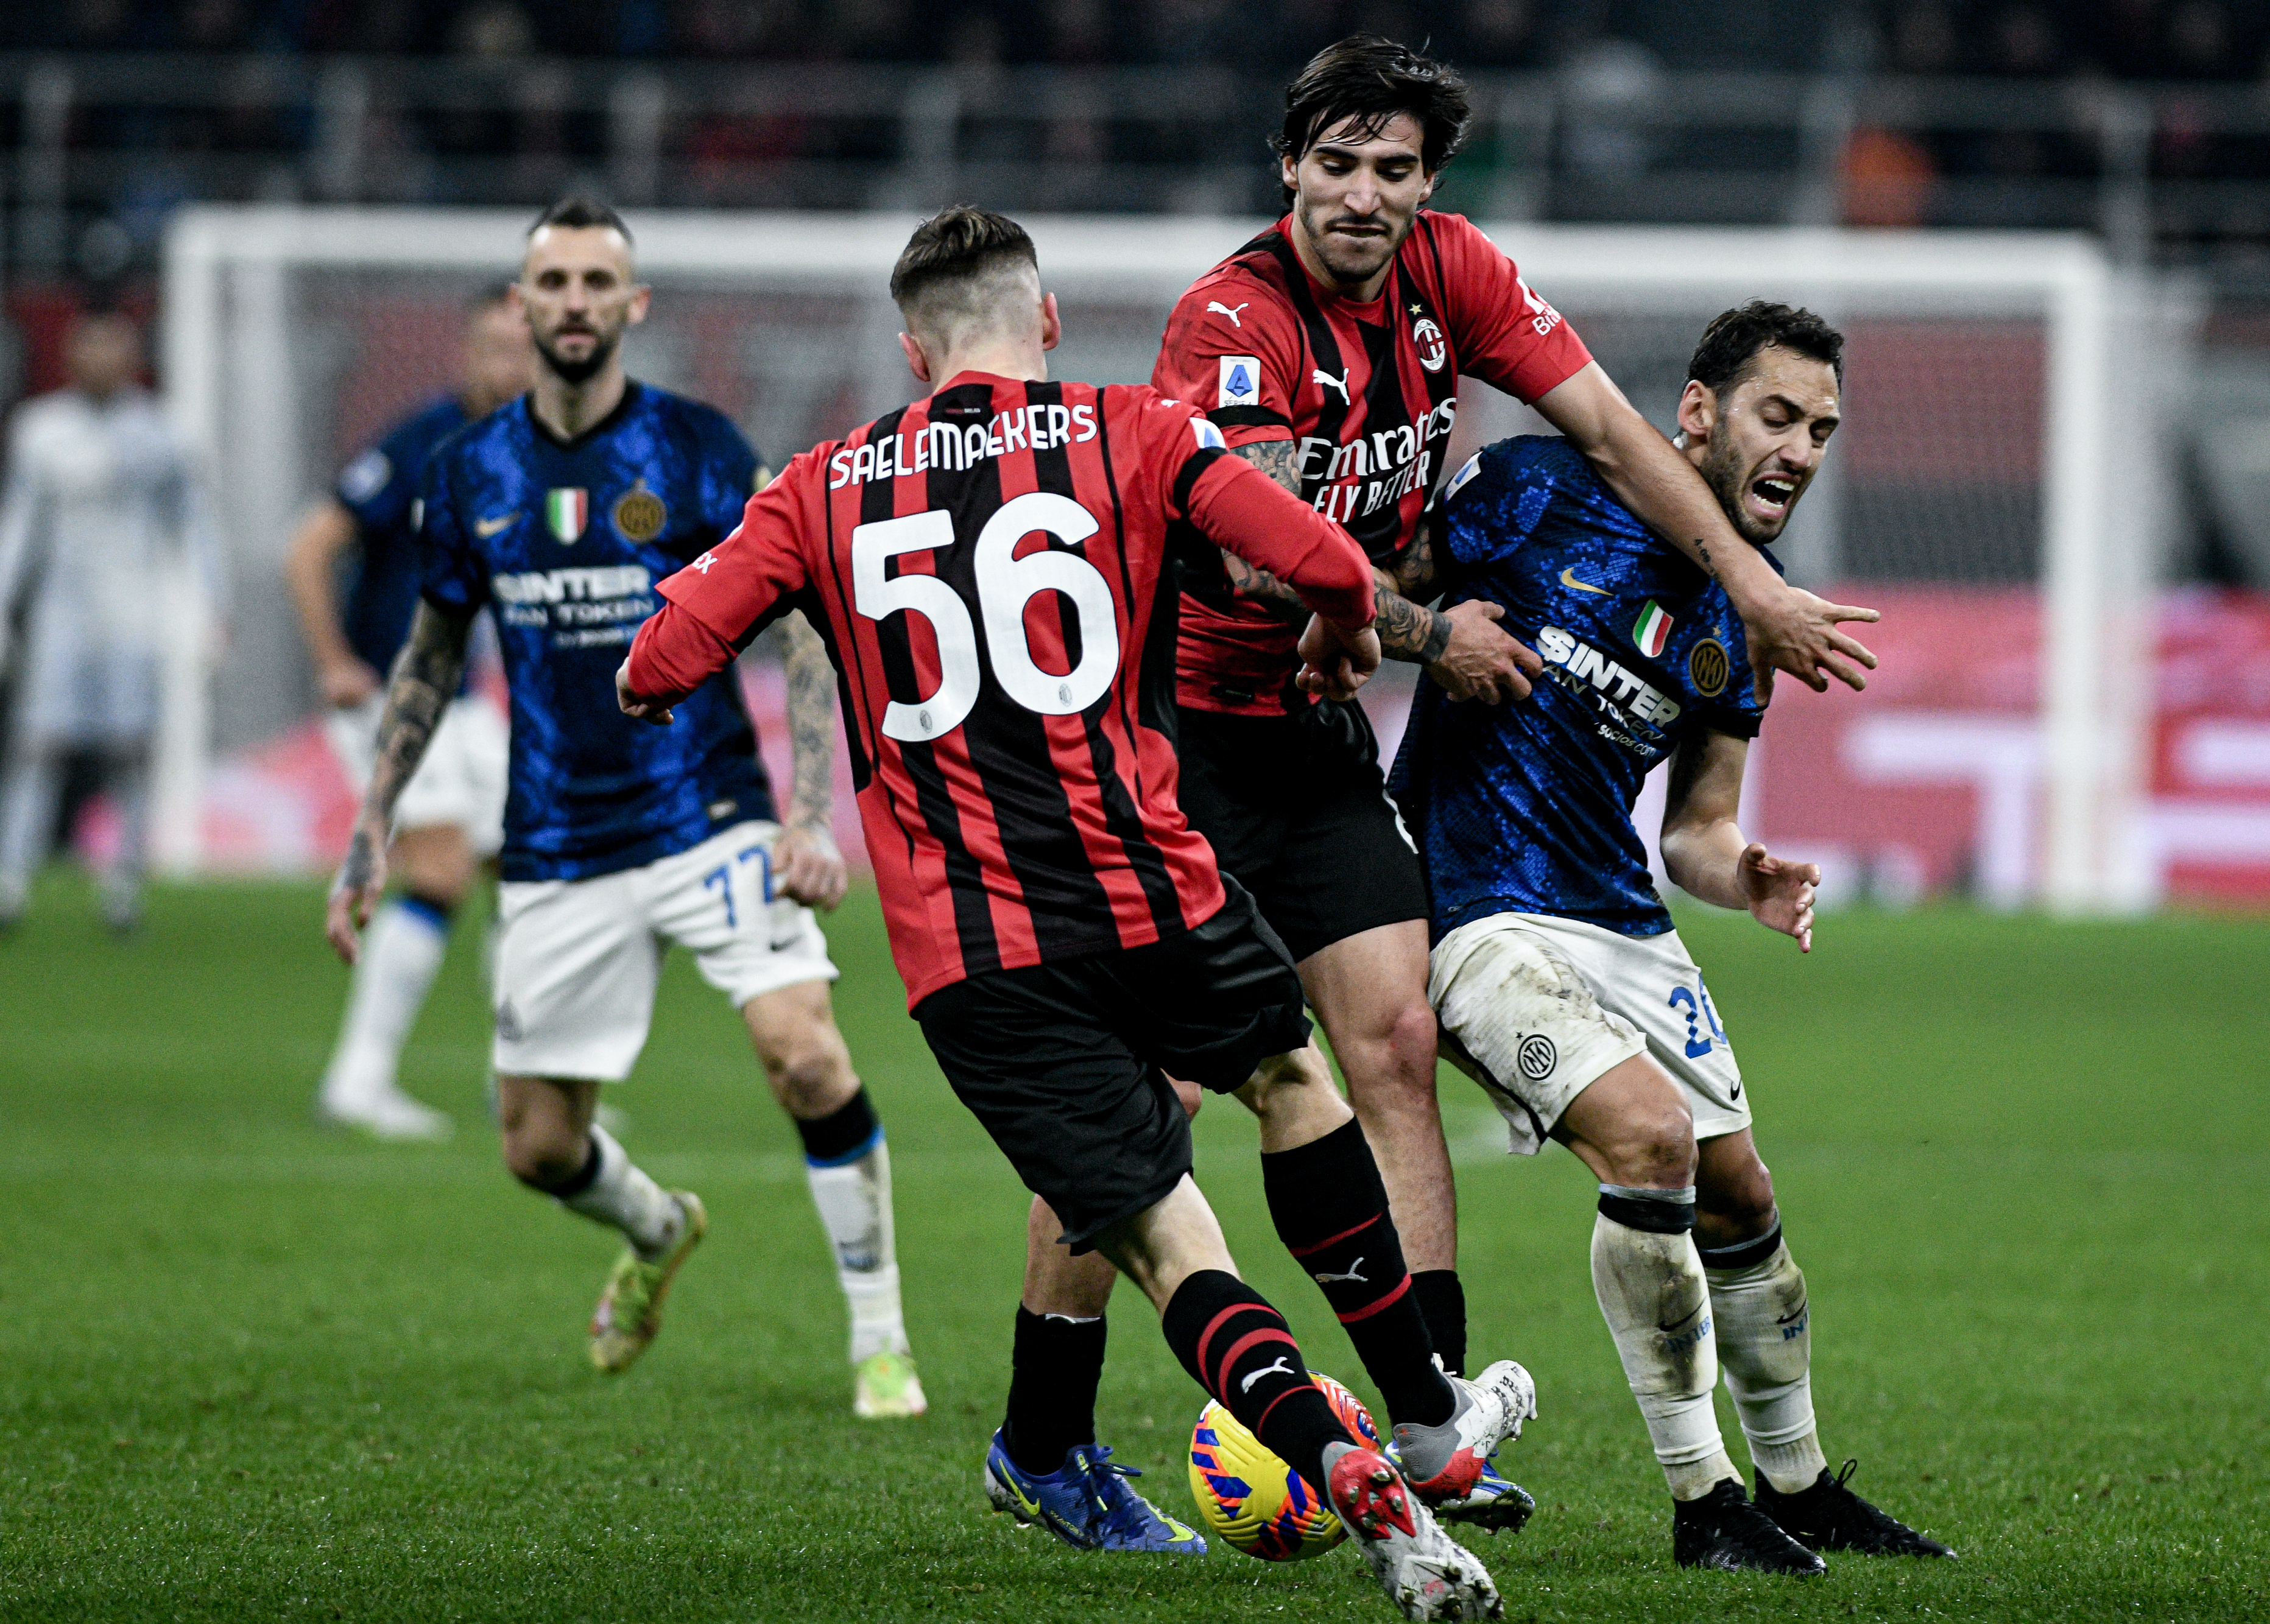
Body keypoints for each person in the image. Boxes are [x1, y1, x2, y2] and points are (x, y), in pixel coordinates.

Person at [964, 37, 1884, 1533]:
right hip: (1185, 733)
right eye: (1336, 165)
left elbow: (1606, 426)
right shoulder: (1231, 321)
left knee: (1389, 1044)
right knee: (1158, 1090)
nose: (1364, 196)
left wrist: (1744, 581)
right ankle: (1044, 1437)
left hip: (1317, 739)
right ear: (1289, 168)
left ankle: (1432, 1423)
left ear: (1428, 185)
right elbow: (1256, 544)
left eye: (1394, 170)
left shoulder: (1453, 273)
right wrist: (1410, 630)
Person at [618, 205, 1518, 1619]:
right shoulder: (1133, 429)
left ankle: (1364, 1489)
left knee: (1168, 1248)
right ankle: (1416, 1408)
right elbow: (1324, 561)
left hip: (973, 956)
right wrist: (1345, 621)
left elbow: (657, 666)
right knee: (1291, 1082)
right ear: (1044, 324)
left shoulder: (817, 486)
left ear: (911, 350)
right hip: (1155, 885)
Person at [324, 197, 925, 1420]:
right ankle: (656, 1225)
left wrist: (808, 812)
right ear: (523, 303)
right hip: (554, 839)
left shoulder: (697, 448)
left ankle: (882, 1342)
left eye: (602, 281)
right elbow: (432, 656)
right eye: (556, 283)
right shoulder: (469, 473)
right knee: (539, 1148)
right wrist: (372, 826)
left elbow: (803, 620)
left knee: (804, 1055)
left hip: (707, 812)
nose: (579, 302)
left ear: (633, 305)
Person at [1392, 301, 1952, 1572]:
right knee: (1650, 1142)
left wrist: (1741, 870)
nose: (1800, 449)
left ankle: (1798, 1483)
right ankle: (1703, 1503)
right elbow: (1383, 592)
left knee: (1742, 1186)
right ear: (1694, 411)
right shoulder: (1532, 487)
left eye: (1819, 428)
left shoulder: (1740, 616)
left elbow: (1695, 823)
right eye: (1775, 415)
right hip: (1476, 904)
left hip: (1622, 920)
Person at [287, 289, 530, 1140]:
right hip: (390, 695)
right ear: (466, 351)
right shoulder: (419, 441)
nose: (510, 363)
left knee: (535, 865)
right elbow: (309, 544)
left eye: (523, 347)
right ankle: (356, 1079)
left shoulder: (527, 455)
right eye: (495, 346)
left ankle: (521, 1081)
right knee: (439, 867)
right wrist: (332, 662)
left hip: (460, 700)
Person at [0, 311, 222, 934]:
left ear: (132, 357)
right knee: (38, 745)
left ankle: (123, 888)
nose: (102, 359)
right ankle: (10, 882)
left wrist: (212, 606)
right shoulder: (40, 430)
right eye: (90, 346)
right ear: (72, 357)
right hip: (61, 614)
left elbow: (195, 527)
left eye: (113, 347)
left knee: (131, 750)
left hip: (136, 613)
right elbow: (20, 527)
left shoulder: (165, 432)